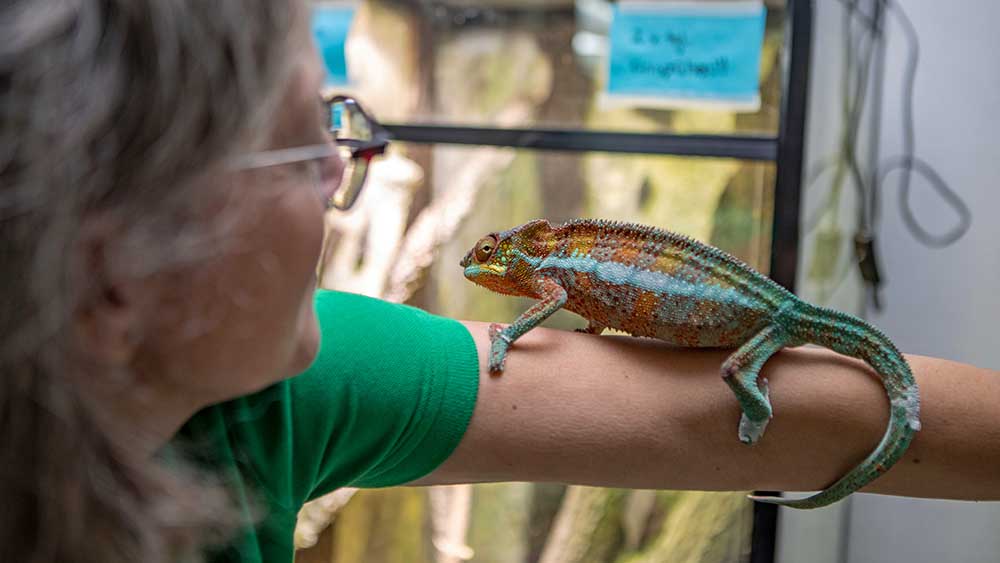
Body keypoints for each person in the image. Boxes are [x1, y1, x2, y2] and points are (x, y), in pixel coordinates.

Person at [2, 1, 997, 562]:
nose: (346, 178)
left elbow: (819, 416)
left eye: (339, 123)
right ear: (112, 273)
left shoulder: (288, 383)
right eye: (308, 147)